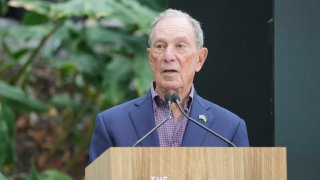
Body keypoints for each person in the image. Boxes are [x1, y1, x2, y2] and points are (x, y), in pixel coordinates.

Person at [89, 8, 249, 163]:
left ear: (200, 59)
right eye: (160, 46)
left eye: (180, 46)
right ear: (151, 59)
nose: (168, 56)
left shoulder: (228, 128)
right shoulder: (112, 124)